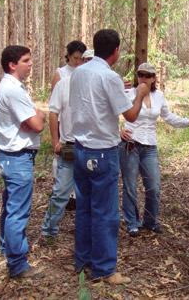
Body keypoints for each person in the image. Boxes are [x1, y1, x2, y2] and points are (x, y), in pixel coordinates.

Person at [69, 29, 150, 284]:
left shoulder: (79, 72)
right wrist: (139, 94)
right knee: (105, 212)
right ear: (116, 51)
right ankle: (104, 269)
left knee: (84, 208)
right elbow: (132, 116)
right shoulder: (109, 76)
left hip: (80, 148)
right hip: (102, 151)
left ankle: (83, 260)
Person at [120, 63, 189, 237]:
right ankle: (132, 222)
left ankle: (150, 220)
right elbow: (111, 112)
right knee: (130, 185)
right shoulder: (129, 93)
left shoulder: (159, 96)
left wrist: (187, 121)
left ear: (154, 78)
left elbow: (167, 116)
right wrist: (118, 131)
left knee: (154, 186)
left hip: (150, 146)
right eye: (140, 74)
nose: (143, 78)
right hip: (130, 143)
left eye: (148, 75)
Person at [0, 45, 45, 278]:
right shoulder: (13, 90)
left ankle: (7, 247)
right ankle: (17, 265)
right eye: (26, 60)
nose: (31, 64)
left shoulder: (12, 87)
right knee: (18, 212)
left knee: (10, 207)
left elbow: (31, 119)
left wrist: (34, 115)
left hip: (9, 156)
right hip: (17, 158)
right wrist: (38, 115)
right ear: (12, 64)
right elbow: (37, 124)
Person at [40, 50, 93, 240]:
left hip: (93, 147)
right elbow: (53, 112)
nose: (85, 63)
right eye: (83, 60)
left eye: (89, 60)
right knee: (61, 192)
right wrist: (55, 141)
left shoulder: (98, 84)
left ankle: (86, 231)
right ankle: (49, 231)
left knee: (89, 193)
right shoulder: (63, 84)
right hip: (70, 146)